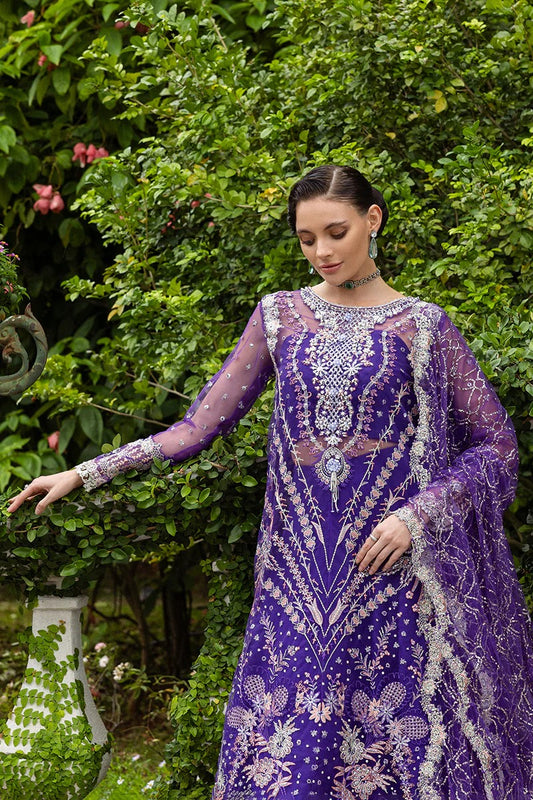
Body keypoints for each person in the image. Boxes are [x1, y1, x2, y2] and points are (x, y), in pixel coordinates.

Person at [8, 165, 533, 800]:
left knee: (400, 749)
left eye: (336, 232)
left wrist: (418, 516)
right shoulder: (280, 317)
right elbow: (198, 426)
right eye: (307, 239)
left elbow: (497, 446)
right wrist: (84, 471)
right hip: (299, 576)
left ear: (373, 219)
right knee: (293, 756)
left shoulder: (424, 326)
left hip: (395, 572)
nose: (323, 252)